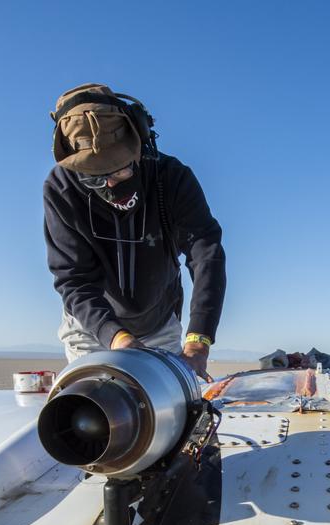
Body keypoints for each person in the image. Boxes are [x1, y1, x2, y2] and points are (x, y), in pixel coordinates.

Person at [43, 83, 226, 379]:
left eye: (120, 170)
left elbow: (207, 257)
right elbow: (73, 279)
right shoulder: (61, 188)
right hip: (92, 328)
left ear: (142, 145)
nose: (111, 185)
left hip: (159, 325)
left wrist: (198, 341)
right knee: (100, 405)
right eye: (95, 178)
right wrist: (117, 338)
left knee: (163, 409)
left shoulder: (173, 179)